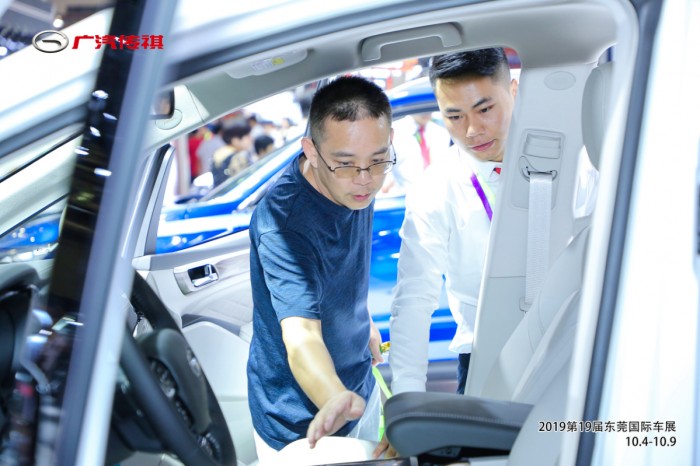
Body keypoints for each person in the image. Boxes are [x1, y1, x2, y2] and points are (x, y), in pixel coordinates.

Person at [247, 76, 396, 461]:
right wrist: (333, 396)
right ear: (311, 151)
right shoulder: (284, 223)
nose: (365, 180)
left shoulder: (357, 182)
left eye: (378, 161)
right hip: (301, 423)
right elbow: (301, 335)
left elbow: (336, 272)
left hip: (359, 385)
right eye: (345, 165)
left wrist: (361, 321)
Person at [389, 48, 518, 396]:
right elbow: (414, 296)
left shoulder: (570, 162)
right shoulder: (436, 186)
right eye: (455, 116)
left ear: (514, 91)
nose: (473, 130)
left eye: (485, 109)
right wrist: (408, 395)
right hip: (485, 361)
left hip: (572, 349)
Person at [382, 112, 451, 194]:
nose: (426, 112)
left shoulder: (442, 132)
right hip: (404, 196)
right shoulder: (393, 132)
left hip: (439, 194)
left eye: (427, 106)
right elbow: (384, 166)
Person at [210, 121, 254, 188]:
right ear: (235, 140)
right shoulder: (237, 157)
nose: (251, 139)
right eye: (247, 136)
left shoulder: (219, 152)